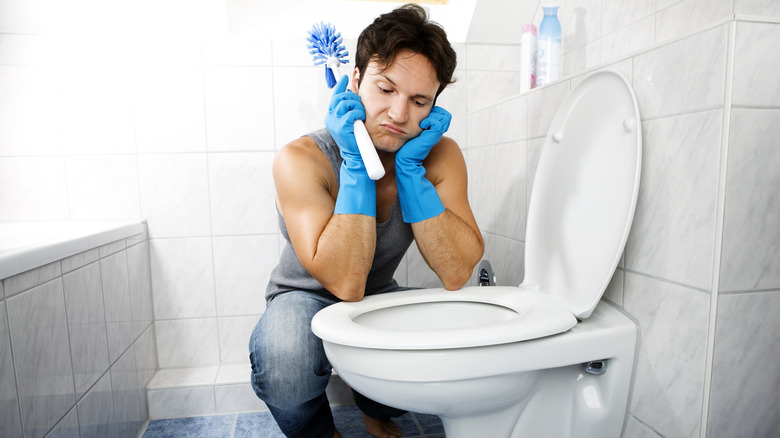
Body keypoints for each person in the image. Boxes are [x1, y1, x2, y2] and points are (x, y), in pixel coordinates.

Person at [248, 4, 484, 438]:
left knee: (458, 327)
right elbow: (345, 282)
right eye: (385, 89)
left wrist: (411, 171)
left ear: (434, 106)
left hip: (377, 293)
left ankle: (377, 406)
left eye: (419, 101)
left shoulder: (438, 155)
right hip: (305, 295)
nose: (398, 115)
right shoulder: (301, 159)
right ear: (354, 81)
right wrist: (356, 162)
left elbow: (456, 272)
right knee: (285, 363)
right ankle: (319, 431)